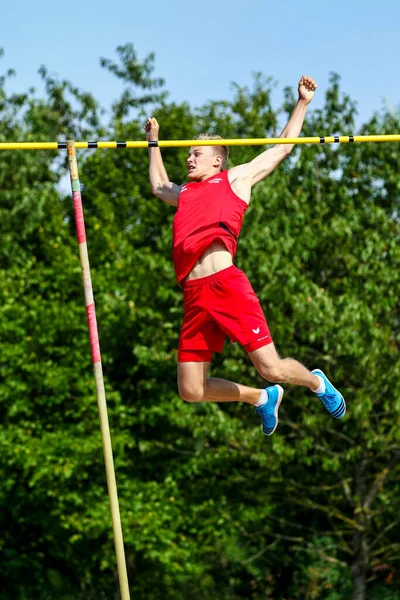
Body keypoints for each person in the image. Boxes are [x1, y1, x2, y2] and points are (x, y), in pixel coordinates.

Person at [144, 75, 345, 437]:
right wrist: (153, 143)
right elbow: (159, 186)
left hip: (226, 286)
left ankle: (316, 383)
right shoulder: (186, 193)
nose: (189, 158)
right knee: (191, 390)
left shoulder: (235, 179)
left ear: (218, 160)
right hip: (194, 294)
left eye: (196, 154)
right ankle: (260, 399)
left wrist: (301, 103)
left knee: (272, 367)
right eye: (188, 153)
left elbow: (282, 148)